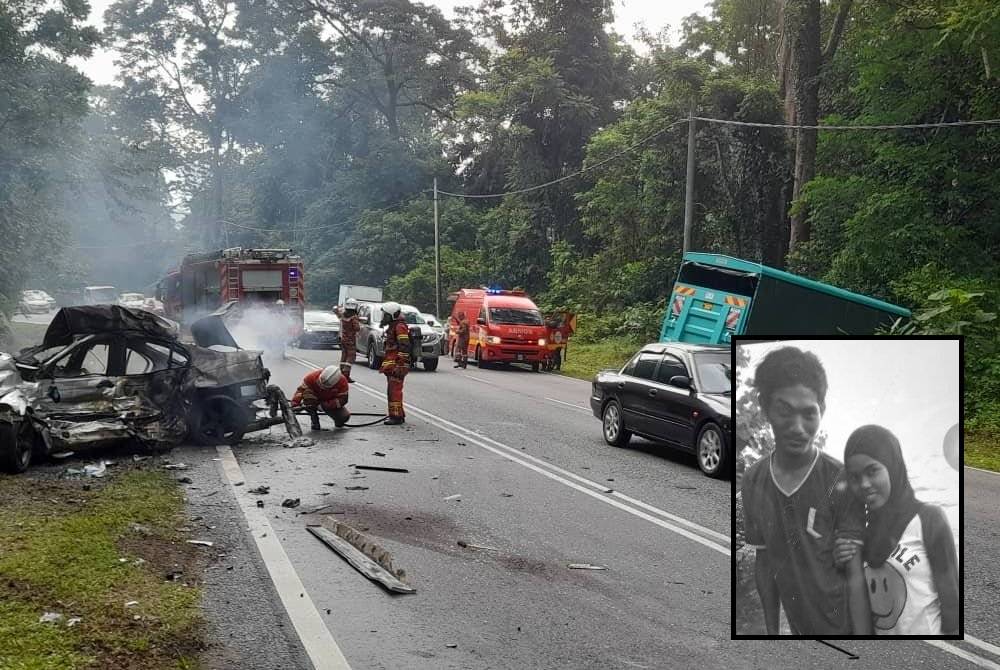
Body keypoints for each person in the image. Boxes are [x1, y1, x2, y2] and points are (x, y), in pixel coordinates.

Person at [741, 346, 869, 635]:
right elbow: (765, 561)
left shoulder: (841, 479)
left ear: (822, 410)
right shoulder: (754, 480)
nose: (798, 428)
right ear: (765, 407)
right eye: (784, 411)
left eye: (809, 413)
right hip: (799, 626)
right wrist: (772, 633)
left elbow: (855, 569)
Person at [834, 425, 959, 635]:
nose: (864, 484)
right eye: (855, 477)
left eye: (872, 471)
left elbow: (952, 607)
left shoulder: (928, 519)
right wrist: (840, 563)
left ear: (892, 466)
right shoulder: (862, 535)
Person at [291, 365, 350, 430]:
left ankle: (338, 422)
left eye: (325, 386)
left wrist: (324, 406)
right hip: (314, 399)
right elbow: (300, 391)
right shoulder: (311, 377)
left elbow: (342, 400)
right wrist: (295, 404)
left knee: (344, 417)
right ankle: (314, 420)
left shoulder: (342, 382)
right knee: (307, 393)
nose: (322, 386)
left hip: (329, 401)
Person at [378, 302, 409, 425]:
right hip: (393, 364)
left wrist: (400, 364)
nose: (383, 317)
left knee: (394, 391)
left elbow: (404, 345)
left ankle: (396, 417)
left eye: (385, 315)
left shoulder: (399, 327)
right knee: (392, 390)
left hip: (398, 364)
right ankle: (398, 414)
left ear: (392, 315)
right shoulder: (393, 326)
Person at [337, 299, 360, 382]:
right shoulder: (354, 317)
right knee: (351, 357)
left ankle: (341, 374)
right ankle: (346, 375)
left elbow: (338, 314)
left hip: (343, 339)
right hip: (351, 340)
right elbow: (357, 328)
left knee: (344, 356)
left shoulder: (343, 315)